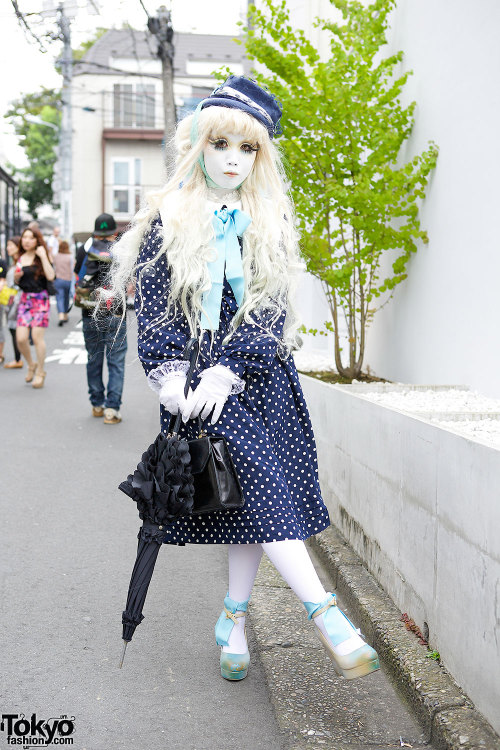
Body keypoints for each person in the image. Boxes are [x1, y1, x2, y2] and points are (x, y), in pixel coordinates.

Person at [106, 76, 380, 682]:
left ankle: (231, 619)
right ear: (197, 146)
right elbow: (153, 305)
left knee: (249, 503)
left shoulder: (269, 219)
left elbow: (272, 306)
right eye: (221, 144)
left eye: (247, 148)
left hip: (257, 378)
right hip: (193, 382)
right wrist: (170, 374)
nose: (232, 159)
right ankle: (327, 617)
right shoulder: (167, 219)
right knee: (258, 489)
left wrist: (232, 368)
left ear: (261, 157)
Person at [74, 213, 127, 424]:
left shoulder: (84, 249)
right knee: (116, 361)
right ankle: (111, 410)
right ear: (115, 231)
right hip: (115, 311)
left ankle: (96, 404)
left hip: (89, 311)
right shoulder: (122, 250)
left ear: (95, 231)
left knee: (93, 358)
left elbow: (77, 273)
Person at [14, 227, 55, 388]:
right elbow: (18, 282)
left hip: (40, 299)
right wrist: (17, 278)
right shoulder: (20, 258)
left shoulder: (41, 257)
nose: (27, 241)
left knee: (37, 338)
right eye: (25, 237)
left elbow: (51, 276)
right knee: (21, 338)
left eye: (31, 238)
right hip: (25, 300)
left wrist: (43, 256)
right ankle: (31, 364)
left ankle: (41, 372)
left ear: (37, 240)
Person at [2, 236, 23, 369]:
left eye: (11, 245)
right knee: (13, 329)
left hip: (16, 302)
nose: (8, 248)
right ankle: (18, 358)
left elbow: (18, 286)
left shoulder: (19, 264)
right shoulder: (15, 262)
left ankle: (18, 359)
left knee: (14, 329)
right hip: (12, 302)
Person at [53, 239, 72, 326]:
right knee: (66, 298)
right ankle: (65, 315)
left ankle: (61, 315)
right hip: (68, 280)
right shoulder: (70, 257)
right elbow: (73, 270)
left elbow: (54, 268)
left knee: (59, 298)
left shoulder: (56, 256)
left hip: (58, 280)